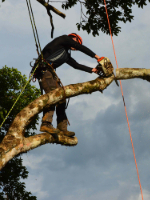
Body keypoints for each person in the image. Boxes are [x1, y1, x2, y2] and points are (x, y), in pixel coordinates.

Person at [39, 33, 101, 137]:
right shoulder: (63, 39)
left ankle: (62, 129)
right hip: (44, 70)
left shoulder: (66, 54)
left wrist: (93, 70)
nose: (75, 47)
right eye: (76, 42)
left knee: (62, 98)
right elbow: (79, 47)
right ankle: (46, 124)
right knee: (53, 95)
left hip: (50, 73)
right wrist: (96, 56)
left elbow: (76, 65)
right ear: (73, 37)